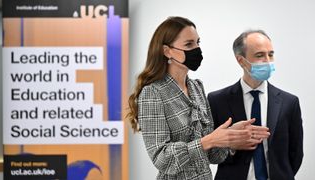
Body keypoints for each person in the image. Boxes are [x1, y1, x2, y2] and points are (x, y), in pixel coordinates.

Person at [126, 17, 269, 180]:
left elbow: (213, 157)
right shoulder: (153, 93)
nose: (197, 49)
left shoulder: (197, 87)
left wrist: (228, 138)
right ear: (167, 51)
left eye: (197, 42)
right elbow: (162, 159)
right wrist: (207, 141)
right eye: (189, 44)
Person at [207, 30, 304, 180]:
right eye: (260, 55)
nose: (267, 60)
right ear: (241, 60)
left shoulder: (289, 102)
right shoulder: (217, 100)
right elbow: (211, 154)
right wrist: (232, 147)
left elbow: (295, 153)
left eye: (270, 54)